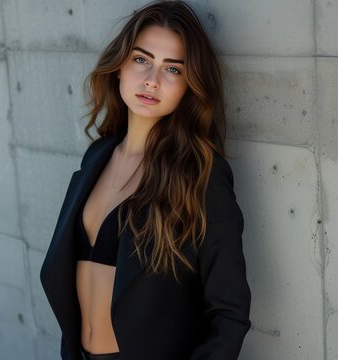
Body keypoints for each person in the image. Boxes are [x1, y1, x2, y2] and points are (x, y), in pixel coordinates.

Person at [40, 1, 251, 359]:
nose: (152, 79)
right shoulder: (97, 157)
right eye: (141, 59)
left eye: (172, 69)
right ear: (119, 66)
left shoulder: (201, 174)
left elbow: (229, 314)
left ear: (189, 86)